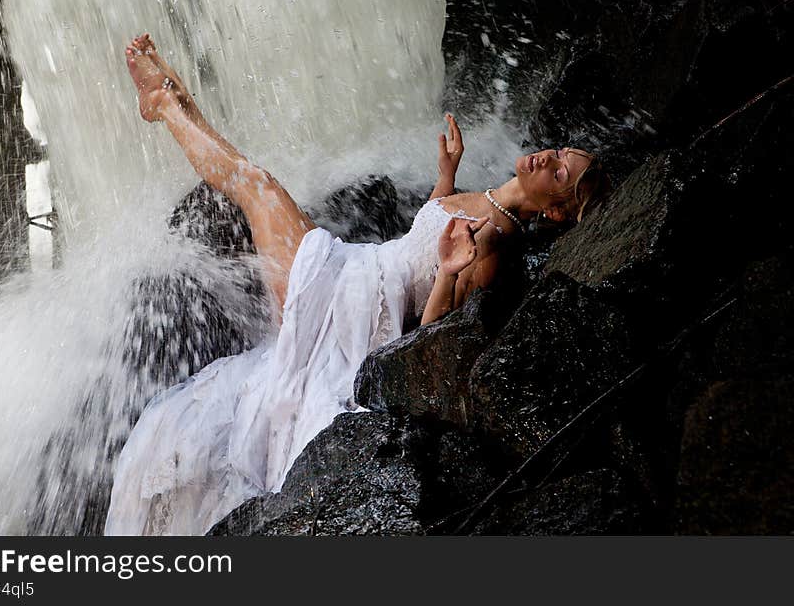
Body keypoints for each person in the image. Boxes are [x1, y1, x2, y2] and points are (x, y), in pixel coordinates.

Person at [105, 34, 608, 535]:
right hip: (357, 271)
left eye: (561, 171)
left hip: (349, 310)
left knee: (254, 185)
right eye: (559, 150)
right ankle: (170, 101)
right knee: (251, 183)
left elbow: (432, 333)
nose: (548, 156)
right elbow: (424, 239)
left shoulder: (494, 246)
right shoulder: (489, 201)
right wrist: (445, 176)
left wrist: (454, 271)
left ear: (557, 209)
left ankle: (168, 105)